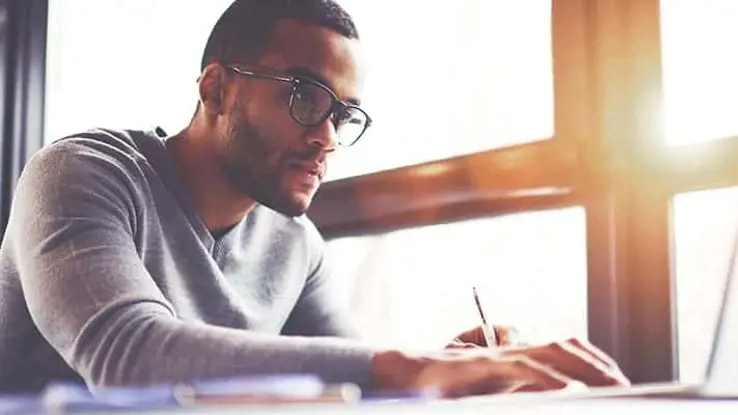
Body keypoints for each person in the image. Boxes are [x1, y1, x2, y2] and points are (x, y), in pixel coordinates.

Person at [0, 0, 629, 397]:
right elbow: (125, 357)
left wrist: (447, 370)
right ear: (216, 90)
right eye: (305, 96)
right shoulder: (82, 174)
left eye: (345, 114)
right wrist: (405, 367)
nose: (327, 137)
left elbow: (350, 380)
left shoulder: (297, 246)